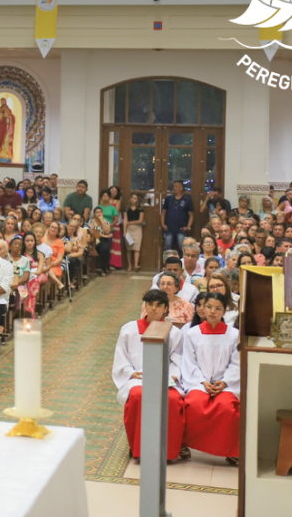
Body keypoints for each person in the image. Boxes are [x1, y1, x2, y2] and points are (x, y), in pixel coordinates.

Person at [113, 289, 187, 463]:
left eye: (158, 305)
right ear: (144, 305)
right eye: (150, 304)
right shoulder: (129, 329)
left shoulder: (175, 333)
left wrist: (173, 375)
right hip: (138, 379)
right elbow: (120, 357)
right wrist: (131, 372)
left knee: (173, 399)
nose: (153, 309)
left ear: (165, 309)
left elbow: (178, 360)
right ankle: (138, 449)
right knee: (138, 396)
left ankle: (168, 452)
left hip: (164, 378)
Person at [181, 291, 241, 462]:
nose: (213, 312)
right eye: (209, 307)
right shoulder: (192, 334)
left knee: (227, 407)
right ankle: (189, 445)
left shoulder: (234, 335)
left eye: (217, 308)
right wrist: (202, 382)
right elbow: (189, 363)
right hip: (200, 382)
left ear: (225, 311)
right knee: (194, 404)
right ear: (203, 309)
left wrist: (225, 381)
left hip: (227, 384)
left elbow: (236, 363)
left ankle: (230, 451)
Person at [161, 180, 193, 252]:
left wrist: (188, 227)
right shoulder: (168, 199)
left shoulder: (187, 200)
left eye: (176, 186)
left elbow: (191, 215)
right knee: (167, 246)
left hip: (181, 229)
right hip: (169, 228)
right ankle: (167, 262)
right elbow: (163, 213)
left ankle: (182, 262)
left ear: (181, 188)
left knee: (182, 247)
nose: (174, 188)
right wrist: (163, 224)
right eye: (174, 186)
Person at [124, 194, 144, 271]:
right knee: (128, 248)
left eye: (135, 198)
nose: (133, 199)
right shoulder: (126, 209)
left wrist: (129, 223)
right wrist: (124, 230)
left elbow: (140, 220)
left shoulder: (140, 209)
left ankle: (136, 264)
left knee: (136, 248)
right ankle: (129, 265)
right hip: (129, 229)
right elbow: (125, 220)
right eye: (132, 198)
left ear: (137, 200)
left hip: (137, 229)